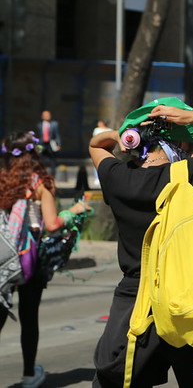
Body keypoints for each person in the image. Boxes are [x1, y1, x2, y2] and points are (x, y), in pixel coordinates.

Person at [90, 97, 193, 388]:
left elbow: (96, 144)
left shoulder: (115, 176)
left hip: (133, 305)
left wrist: (123, 135)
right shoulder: (184, 175)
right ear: (184, 146)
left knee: (115, 381)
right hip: (185, 301)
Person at [0, 131, 86, 388]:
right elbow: (51, 225)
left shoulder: (2, 181)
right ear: (34, 154)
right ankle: (29, 375)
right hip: (29, 260)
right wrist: (73, 212)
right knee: (29, 318)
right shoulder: (38, 185)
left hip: (3, 258)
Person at [36, 110, 61, 175]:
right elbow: (37, 136)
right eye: (45, 115)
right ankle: (42, 173)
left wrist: (58, 144)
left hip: (51, 144)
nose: (47, 116)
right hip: (42, 144)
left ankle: (52, 174)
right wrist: (37, 146)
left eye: (48, 115)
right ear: (42, 117)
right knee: (41, 159)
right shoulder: (39, 125)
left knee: (53, 159)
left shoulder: (54, 124)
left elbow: (57, 135)